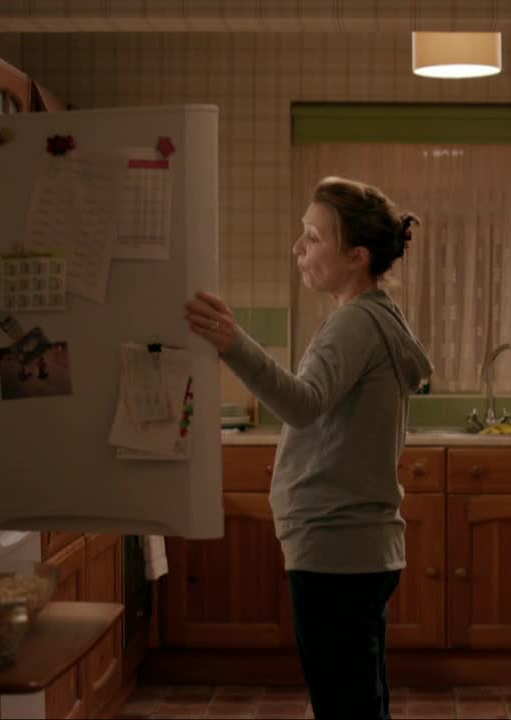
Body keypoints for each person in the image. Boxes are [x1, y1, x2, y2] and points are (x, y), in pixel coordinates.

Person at [184, 176, 433, 720]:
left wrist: (233, 343)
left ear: (356, 256)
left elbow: (302, 403)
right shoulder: (376, 317)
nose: (298, 247)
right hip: (357, 546)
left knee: (345, 707)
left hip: (336, 547)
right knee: (362, 702)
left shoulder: (354, 323)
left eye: (314, 237)